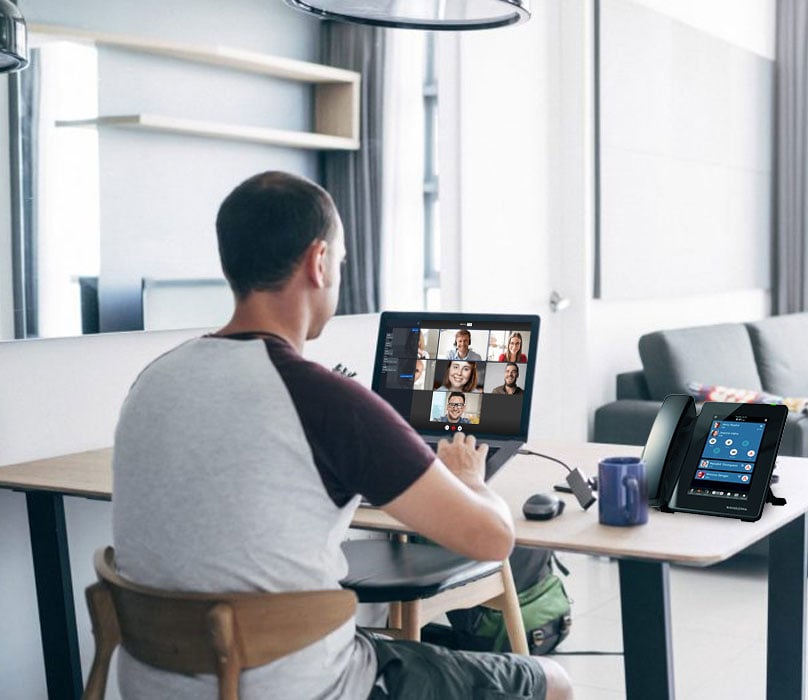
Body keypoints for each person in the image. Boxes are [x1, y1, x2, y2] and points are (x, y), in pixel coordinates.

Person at [110, 171, 571, 700]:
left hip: (150, 682)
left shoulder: (152, 382)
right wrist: (469, 477)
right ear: (319, 261)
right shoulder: (326, 401)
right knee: (552, 682)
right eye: (342, 261)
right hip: (293, 686)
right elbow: (492, 540)